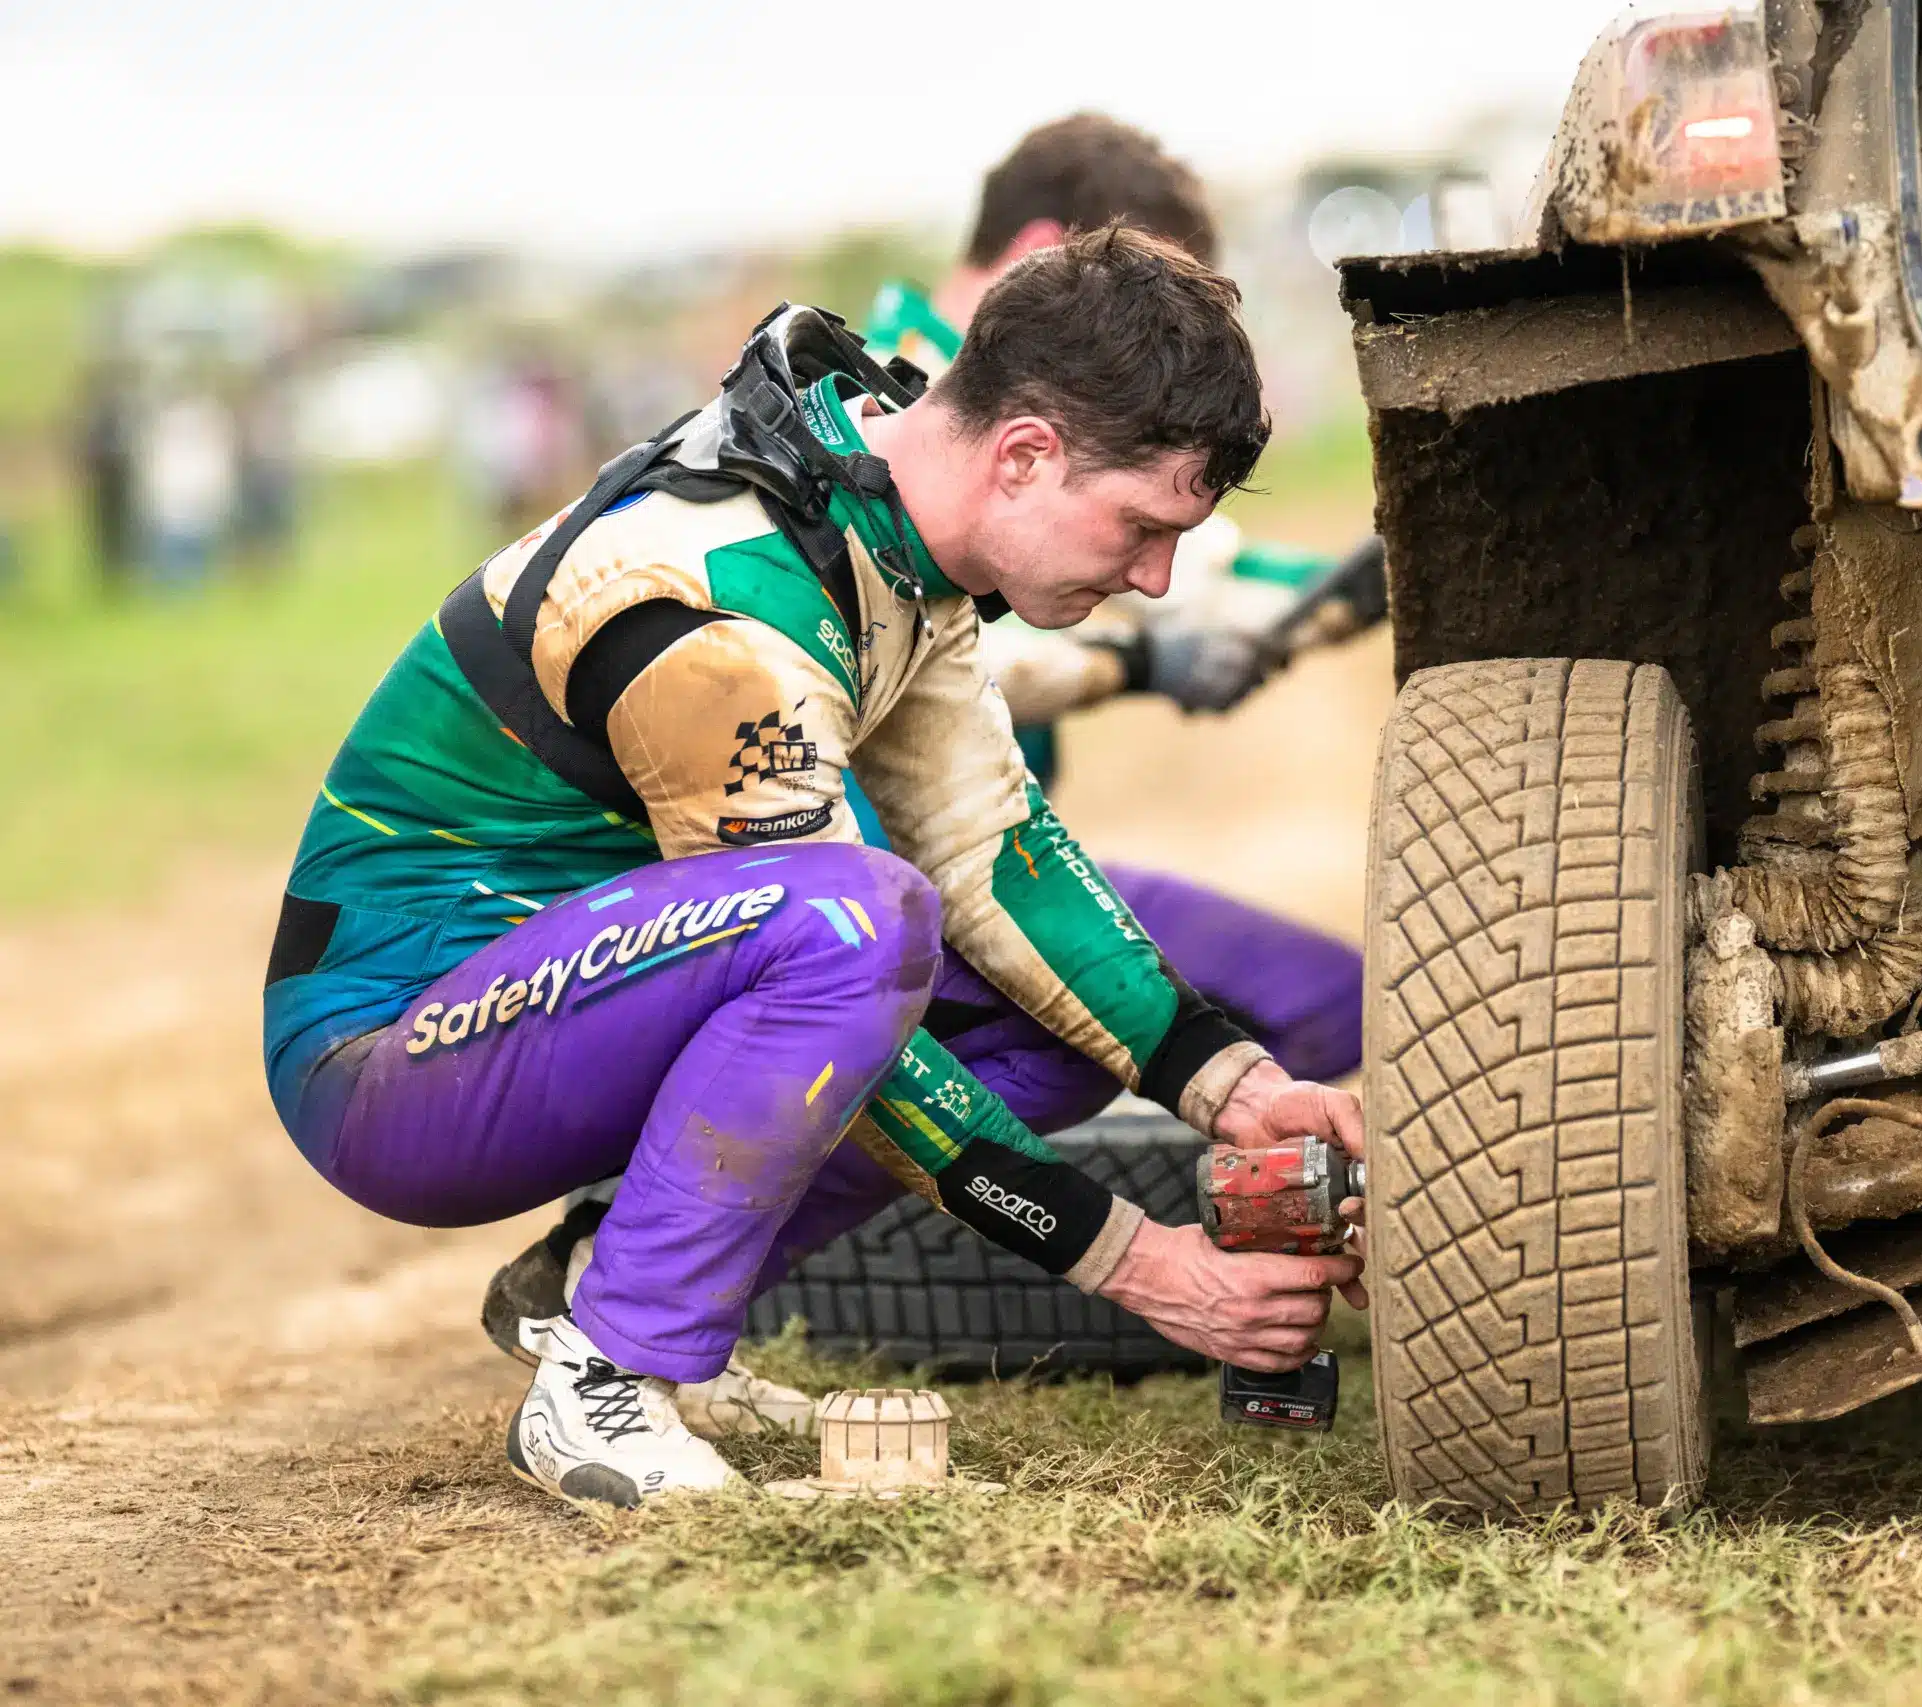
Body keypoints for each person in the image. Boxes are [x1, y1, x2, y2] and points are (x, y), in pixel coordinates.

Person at [262, 229, 1366, 1508]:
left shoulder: (881, 524)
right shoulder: (720, 616)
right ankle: (604, 1385)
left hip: (571, 995)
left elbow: (994, 857)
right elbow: (860, 1015)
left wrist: (1233, 1090)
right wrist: (1136, 1264)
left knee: (1028, 1002)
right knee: (852, 927)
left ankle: (602, 1294)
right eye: (1141, 525)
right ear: (1024, 456)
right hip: (392, 1061)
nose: (1157, 578)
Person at [860, 114, 1372, 1093]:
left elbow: (1216, 571)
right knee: (1301, 1006)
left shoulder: (1048, 432)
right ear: (1052, 262)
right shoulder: (892, 414)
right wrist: (1137, 667)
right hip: (895, 882)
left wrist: (1352, 592)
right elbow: (920, 663)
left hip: (964, 854)